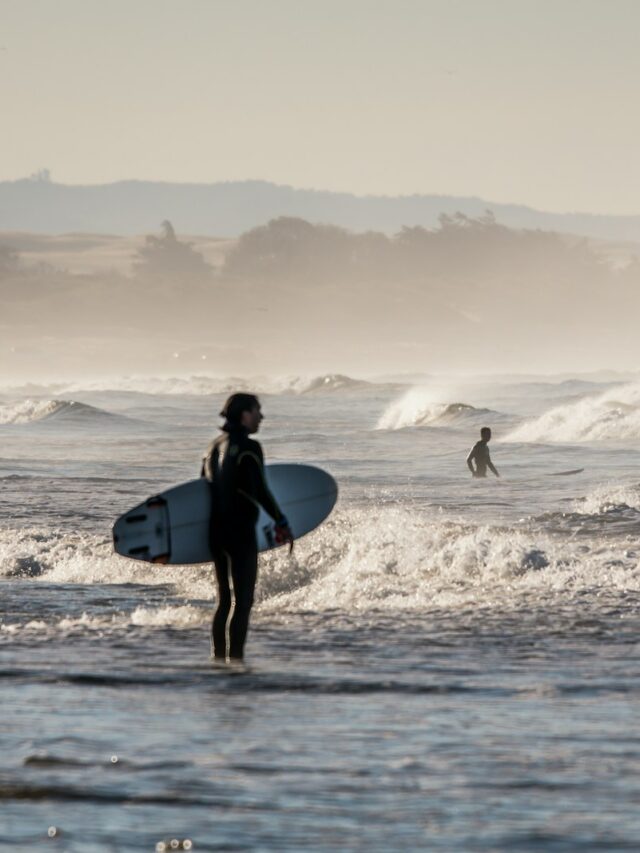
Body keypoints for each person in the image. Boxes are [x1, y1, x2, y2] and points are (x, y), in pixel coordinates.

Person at [201, 393, 293, 662]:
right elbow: (261, 491)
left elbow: (201, 492)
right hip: (240, 533)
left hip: (216, 532)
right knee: (243, 603)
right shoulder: (249, 447)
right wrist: (281, 521)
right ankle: (237, 663)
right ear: (244, 415)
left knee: (224, 602)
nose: (261, 417)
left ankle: (218, 661)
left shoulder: (212, 446)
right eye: (257, 411)